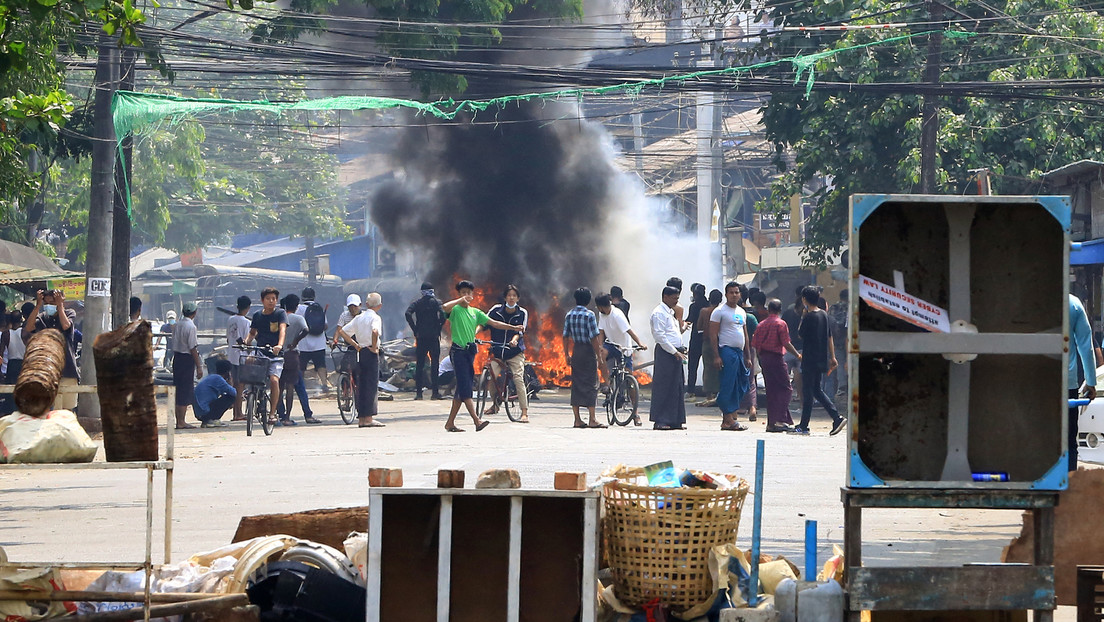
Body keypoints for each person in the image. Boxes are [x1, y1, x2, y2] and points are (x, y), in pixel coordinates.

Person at [442, 280, 523, 432]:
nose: (466, 295)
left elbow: (495, 323)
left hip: (470, 352)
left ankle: (450, 423)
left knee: (461, 388)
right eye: (463, 292)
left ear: (473, 295)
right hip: (458, 352)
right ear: (459, 294)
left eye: (468, 293)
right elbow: (444, 307)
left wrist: (513, 327)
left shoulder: (476, 312)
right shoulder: (455, 310)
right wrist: (460, 300)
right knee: (465, 387)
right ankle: (476, 420)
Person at [795, 286, 846, 436]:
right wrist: (832, 357)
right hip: (821, 358)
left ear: (804, 299)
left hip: (810, 358)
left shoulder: (810, 316)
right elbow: (829, 337)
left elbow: (800, 334)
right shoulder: (824, 314)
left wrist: (803, 316)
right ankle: (833, 418)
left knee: (808, 391)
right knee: (816, 389)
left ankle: (807, 425)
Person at [23, 289, 81, 411]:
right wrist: (38, 306)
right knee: (51, 410)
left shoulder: (69, 313)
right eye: (47, 303)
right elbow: (29, 327)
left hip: (68, 370)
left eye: (53, 303)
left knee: (67, 411)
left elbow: (66, 325)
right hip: (47, 372)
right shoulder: (42, 317)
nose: (50, 306)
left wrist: (60, 306)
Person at [334, 292, 385, 428]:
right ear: (379, 306)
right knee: (371, 386)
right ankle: (368, 418)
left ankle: (361, 417)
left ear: (366, 304)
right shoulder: (376, 318)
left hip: (360, 352)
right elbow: (375, 332)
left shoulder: (359, 318)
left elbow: (343, 332)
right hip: (370, 352)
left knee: (361, 385)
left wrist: (356, 345)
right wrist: (374, 348)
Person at [596, 294, 646, 426]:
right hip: (611, 344)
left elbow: (629, 331)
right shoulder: (601, 314)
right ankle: (606, 384)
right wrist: (600, 347)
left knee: (630, 380)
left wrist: (640, 343)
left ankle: (635, 414)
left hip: (624, 348)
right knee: (601, 356)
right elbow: (601, 332)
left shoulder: (617, 315)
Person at [752, 299, 800, 432]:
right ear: (780, 310)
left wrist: (759, 358)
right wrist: (797, 355)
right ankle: (779, 420)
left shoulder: (761, 324)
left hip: (764, 358)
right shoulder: (781, 323)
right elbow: (786, 343)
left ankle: (772, 422)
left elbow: (755, 344)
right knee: (786, 389)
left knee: (771, 390)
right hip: (776, 358)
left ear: (768, 310)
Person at [709, 282, 752, 431]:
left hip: (739, 353)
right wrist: (716, 356)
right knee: (728, 385)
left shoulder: (742, 312)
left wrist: (748, 356)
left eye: (736, 292)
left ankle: (729, 418)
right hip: (726, 351)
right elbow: (713, 334)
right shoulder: (719, 311)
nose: (734, 295)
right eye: (731, 292)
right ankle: (728, 419)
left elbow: (745, 334)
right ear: (726, 294)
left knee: (741, 385)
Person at [563, 287, 607, 429]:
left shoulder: (569, 314)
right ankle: (592, 419)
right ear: (588, 300)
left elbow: (565, 336)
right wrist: (599, 357)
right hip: (587, 351)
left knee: (576, 384)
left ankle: (577, 419)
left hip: (577, 350)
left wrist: (567, 354)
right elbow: (594, 337)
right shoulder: (590, 315)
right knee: (591, 383)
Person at [487, 285, 531, 423]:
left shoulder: (522, 312)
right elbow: (485, 322)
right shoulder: (495, 310)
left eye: (514, 295)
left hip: (514, 352)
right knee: (491, 377)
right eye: (509, 295)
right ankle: (495, 406)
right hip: (498, 350)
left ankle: (524, 412)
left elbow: (520, 331)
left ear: (518, 298)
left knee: (518, 378)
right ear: (505, 297)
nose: (511, 298)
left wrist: (514, 340)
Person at [244, 287, 286, 426]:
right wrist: (246, 342)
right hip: (261, 352)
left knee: (274, 380)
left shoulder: (280, 313)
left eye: (273, 299)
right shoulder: (257, 315)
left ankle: (273, 413)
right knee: (249, 361)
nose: (271, 301)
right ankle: (250, 392)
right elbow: (252, 333)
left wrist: (279, 345)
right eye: (268, 299)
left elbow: (282, 330)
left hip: (276, 355)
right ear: (262, 300)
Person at [650, 286, 687, 430]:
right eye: (674, 298)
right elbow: (660, 336)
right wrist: (674, 351)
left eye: (677, 298)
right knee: (664, 386)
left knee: (676, 386)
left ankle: (675, 420)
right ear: (665, 297)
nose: (676, 301)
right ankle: (661, 420)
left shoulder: (670, 312)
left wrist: (681, 348)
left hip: (676, 352)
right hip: (666, 353)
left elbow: (674, 332)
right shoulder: (659, 313)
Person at [1070, 293, 1098, 471]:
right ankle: (1068, 485)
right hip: (1066, 385)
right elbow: (1085, 345)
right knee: (1069, 440)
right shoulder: (1073, 303)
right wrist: (1091, 381)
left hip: (1033, 384)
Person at [405, 281, 447, 401]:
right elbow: (443, 314)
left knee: (420, 365)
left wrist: (415, 329)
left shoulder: (417, 303)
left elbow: (408, 314)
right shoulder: (436, 303)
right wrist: (439, 327)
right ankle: (435, 393)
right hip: (434, 337)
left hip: (421, 337)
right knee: (435, 365)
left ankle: (419, 393)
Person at [276, 294, 312, 426]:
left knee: (278, 387)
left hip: (278, 353)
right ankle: (287, 417)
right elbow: (306, 330)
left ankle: (274, 415)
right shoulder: (298, 318)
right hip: (291, 355)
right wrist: (295, 341)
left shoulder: (279, 317)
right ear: (296, 306)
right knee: (290, 387)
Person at [170, 302, 202, 430]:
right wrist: (199, 366)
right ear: (194, 313)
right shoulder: (191, 327)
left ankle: (179, 420)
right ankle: (181, 421)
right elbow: (192, 348)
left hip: (177, 358)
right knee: (184, 390)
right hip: (186, 359)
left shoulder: (177, 325)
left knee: (178, 389)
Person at [297, 287, 332, 396]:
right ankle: (324, 384)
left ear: (302, 297)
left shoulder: (299, 308)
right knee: (321, 365)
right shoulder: (318, 308)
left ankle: (300, 385)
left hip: (303, 343)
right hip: (319, 343)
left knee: (301, 366)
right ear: (314, 297)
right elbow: (325, 326)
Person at [225, 295, 252, 421]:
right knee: (240, 386)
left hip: (231, 355)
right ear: (248, 308)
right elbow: (246, 341)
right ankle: (239, 413)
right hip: (241, 357)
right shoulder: (246, 322)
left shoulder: (230, 320)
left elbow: (228, 338)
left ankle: (236, 413)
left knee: (235, 384)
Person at [737, 284, 760, 421]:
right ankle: (752, 407)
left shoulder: (735, 316)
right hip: (750, 350)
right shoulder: (751, 317)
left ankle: (740, 406)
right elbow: (758, 333)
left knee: (738, 378)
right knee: (751, 380)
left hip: (736, 350)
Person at [697, 289, 723, 407]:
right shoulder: (722, 311)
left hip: (707, 342)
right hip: (720, 342)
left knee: (708, 368)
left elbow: (699, 326)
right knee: (720, 368)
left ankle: (709, 395)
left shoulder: (704, 311)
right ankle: (719, 394)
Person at [193, 359, 237, 428]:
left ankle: (207, 421)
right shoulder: (218, 379)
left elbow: (222, 392)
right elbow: (234, 393)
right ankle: (212, 419)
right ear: (227, 372)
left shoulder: (212, 377)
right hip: (205, 411)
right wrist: (230, 382)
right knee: (231, 398)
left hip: (200, 412)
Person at [781, 286, 805, 403]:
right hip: (801, 349)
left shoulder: (788, 312)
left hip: (788, 347)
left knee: (784, 376)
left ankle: (784, 402)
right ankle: (801, 400)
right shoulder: (806, 314)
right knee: (799, 373)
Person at [826, 289, 849, 400]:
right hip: (848, 337)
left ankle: (840, 387)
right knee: (847, 361)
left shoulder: (833, 307)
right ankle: (845, 385)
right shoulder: (851, 307)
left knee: (837, 362)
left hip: (835, 338)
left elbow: (829, 321)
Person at [686, 283, 708, 398]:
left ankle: (691, 390)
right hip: (708, 339)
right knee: (708, 366)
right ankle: (710, 391)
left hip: (696, 339)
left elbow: (689, 320)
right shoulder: (709, 305)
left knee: (692, 366)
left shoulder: (694, 306)